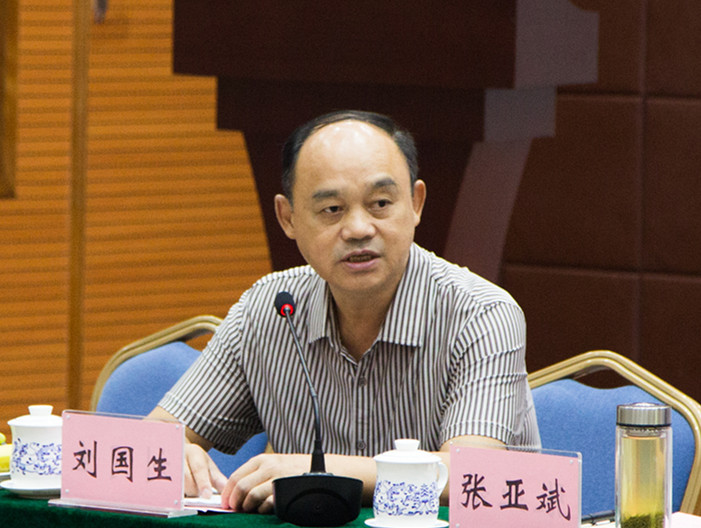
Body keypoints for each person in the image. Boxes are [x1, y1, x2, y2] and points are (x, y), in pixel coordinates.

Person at [147, 110, 540, 513]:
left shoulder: (482, 314)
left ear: (416, 203)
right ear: (288, 218)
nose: (358, 229)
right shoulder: (269, 309)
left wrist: (317, 472)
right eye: (332, 209)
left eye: (380, 203)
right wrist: (172, 453)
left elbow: (470, 476)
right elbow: (151, 441)